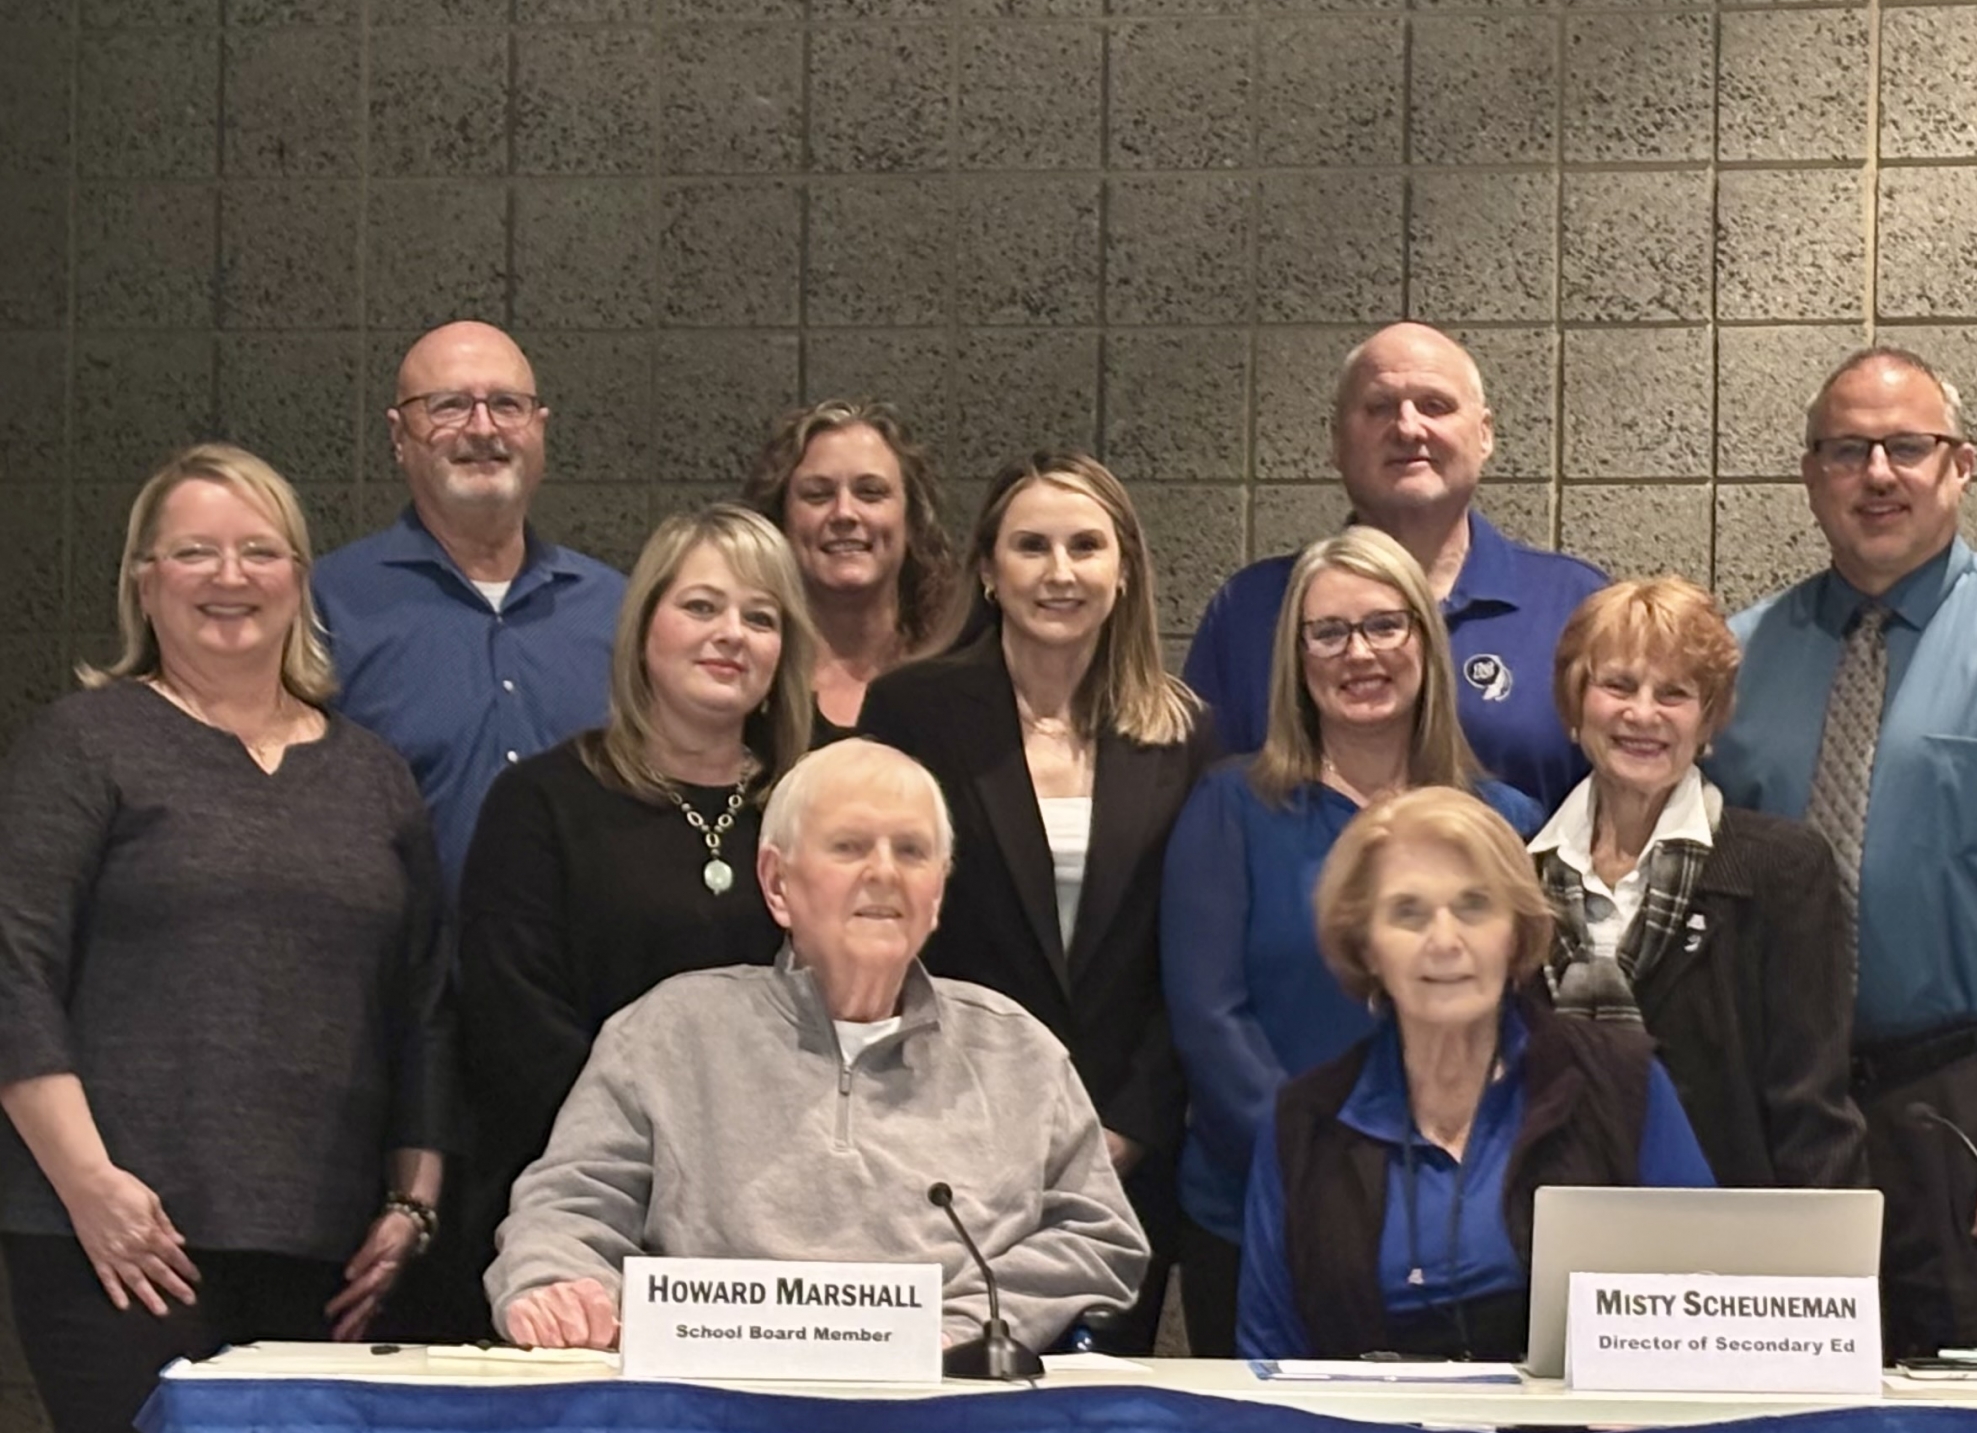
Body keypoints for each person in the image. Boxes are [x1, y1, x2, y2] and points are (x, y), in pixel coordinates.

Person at [0, 447, 451, 1433]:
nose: (228, 578)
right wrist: (90, 1186)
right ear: (145, 579)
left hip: (322, 1247)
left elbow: (425, 1010)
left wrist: (414, 1204)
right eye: (193, 551)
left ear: (300, 577)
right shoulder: (87, 745)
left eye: (256, 549)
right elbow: (13, 966)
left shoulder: (371, 777)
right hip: (121, 1244)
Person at [1707, 347, 1977, 1367]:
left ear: (1961, 467)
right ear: (1810, 472)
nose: (1877, 474)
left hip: (1973, 1113)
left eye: (1908, 447)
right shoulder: (1737, 659)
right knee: (1783, 1430)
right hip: (1783, 1113)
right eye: (1847, 449)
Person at [488, 738, 1147, 1352]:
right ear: (777, 885)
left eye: (912, 852)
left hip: (944, 1412)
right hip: (710, 1413)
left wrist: (958, 1326)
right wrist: (564, 1287)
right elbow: (566, 1207)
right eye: (850, 847)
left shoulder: (1018, 1052)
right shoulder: (669, 1032)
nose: (884, 873)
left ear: (938, 892)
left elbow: (1097, 1235)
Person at [857, 455, 1216, 1343]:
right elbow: (883, 930)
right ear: (988, 569)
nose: (1060, 572)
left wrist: (1126, 1127)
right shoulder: (914, 712)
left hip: (1126, 1146)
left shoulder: (1182, 730)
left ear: (1124, 568)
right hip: (945, 1136)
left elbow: (1195, 958)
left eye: (1086, 546)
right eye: (1032, 547)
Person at [1163, 527, 1544, 1355]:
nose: (1357, 653)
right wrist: (1320, 1168)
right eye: (1328, 632)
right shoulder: (1233, 807)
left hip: (1462, 1231)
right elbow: (1209, 1016)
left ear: (1425, 641)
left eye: (1384, 625)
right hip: (1263, 1204)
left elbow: (1525, 1030)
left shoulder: (1505, 824)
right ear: (1296, 658)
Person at [449, 504, 816, 1332]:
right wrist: (663, 1159)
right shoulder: (542, 802)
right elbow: (513, 1023)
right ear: (644, 624)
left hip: (782, 1236)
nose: (732, 634)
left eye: (761, 618)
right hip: (580, 1229)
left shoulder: (817, 805)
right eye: (701, 607)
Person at [1236, 788, 1713, 1360]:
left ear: (1515, 932)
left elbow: (1701, 1313)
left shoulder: (1621, 1083)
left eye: (1473, 907)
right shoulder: (1305, 1124)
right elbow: (1268, 1362)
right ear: (1366, 947)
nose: (1444, 942)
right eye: (1408, 913)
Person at [1531, 579, 1870, 1192]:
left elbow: (1810, 1108)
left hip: (1727, 1249)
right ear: (1573, 705)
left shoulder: (1780, 871)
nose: (1643, 714)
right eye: (1617, 685)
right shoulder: (1514, 874)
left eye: (1674, 693)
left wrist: (1822, 1271)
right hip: (1546, 1233)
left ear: (1709, 720)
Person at [1184, 321, 1606, 811]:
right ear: (1337, 441)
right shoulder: (1251, 611)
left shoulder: (1573, 605)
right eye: (1379, 407)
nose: (1408, 427)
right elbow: (1198, 811)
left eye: (1435, 405)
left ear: (1485, 434)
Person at [311, 320, 624, 890]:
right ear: (398, 436)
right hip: (403, 973)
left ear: (540, 430)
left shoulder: (616, 609)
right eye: (449, 406)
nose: (483, 429)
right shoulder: (328, 604)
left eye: (507, 405)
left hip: (588, 975)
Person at [742, 398, 961, 739]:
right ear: (779, 521)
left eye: (870, 493)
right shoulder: (745, 679)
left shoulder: (961, 680)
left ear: (913, 520)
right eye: (817, 495)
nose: (844, 513)